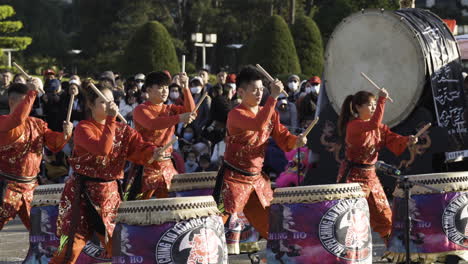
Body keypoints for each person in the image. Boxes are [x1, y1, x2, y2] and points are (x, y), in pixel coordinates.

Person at [50, 82, 164, 263]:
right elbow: (103, 149)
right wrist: (111, 119)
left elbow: (139, 148)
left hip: (109, 194)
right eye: (103, 102)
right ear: (91, 105)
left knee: (117, 247)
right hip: (81, 195)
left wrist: (153, 152)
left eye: (111, 101)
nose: (110, 105)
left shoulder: (123, 130)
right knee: (70, 248)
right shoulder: (83, 129)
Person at [214, 65, 307, 241]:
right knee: (216, 228)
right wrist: (273, 96)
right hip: (233, 179)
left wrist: (297, 140)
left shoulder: (269, 112)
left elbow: (283, 138)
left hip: (257, 180)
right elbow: (258, 124)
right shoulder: (235, 114)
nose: (259, 93)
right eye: (254, 90)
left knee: (273, 226)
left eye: (261, 89)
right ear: (240, 92)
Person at [337, 89, 418, 243]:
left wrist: (408, 140)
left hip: (371, 177)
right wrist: (382, 100)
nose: (374, 107)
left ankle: (393, 251)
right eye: (370, 105)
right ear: (358, 108)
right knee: (349, 219)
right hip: (352, 177)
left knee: (385, 217)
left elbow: (394, 139)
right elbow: (374, 123)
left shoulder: (379, 128)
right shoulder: (353, 126)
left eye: (375, 105)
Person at [0, 80, 72, 232]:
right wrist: (32, 92)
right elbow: (17, 119)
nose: (29, 104)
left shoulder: (38, 123)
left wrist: (66, 133)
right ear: (12, 101)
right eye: (26, 101)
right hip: (7, 185)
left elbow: (54, 144)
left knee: (41, 231)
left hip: (31, 187)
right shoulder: (3, 122)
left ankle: (42, 257)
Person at [132, 71, 196, 199]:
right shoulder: (140, 109)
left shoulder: (169, 109)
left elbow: (192, 112)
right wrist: (179, 118)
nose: (165, 91)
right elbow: (152, 124)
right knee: (143, 207)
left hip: (167, 164)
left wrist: (186, 88)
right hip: (147, 163)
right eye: (160, 87)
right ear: (149, 90)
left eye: (166, 87)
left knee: (172, 205)